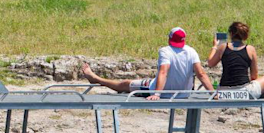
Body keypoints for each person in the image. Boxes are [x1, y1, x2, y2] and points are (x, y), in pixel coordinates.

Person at [80, 27, 213, 98]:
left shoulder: (165, 51)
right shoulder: (192, 51)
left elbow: (163, 72)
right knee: (142, 81)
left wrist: (156, 94)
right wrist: (212, 93)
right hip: (184, 94)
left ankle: (95, 78)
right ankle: (96, 78)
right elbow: (201, 73)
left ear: (169, 39)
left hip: (163, 92)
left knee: (125, 84)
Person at [206, 21, 264, 98]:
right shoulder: (250, 49)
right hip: (244, 93)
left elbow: (210, 63)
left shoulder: (223, 47)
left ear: (231, 34)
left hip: (224, 92)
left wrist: (215, 46)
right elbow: (254, 77)